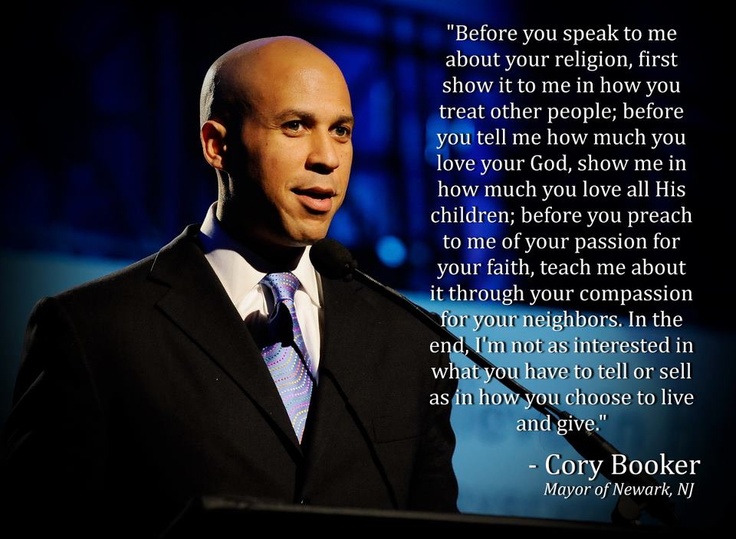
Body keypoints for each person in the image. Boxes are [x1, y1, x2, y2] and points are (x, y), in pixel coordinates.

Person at [0, 36, 459, 537]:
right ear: (217, 145)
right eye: (294, 126)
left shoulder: (412, 342)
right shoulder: (92, 331)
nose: (327, 157)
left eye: (341, 131)